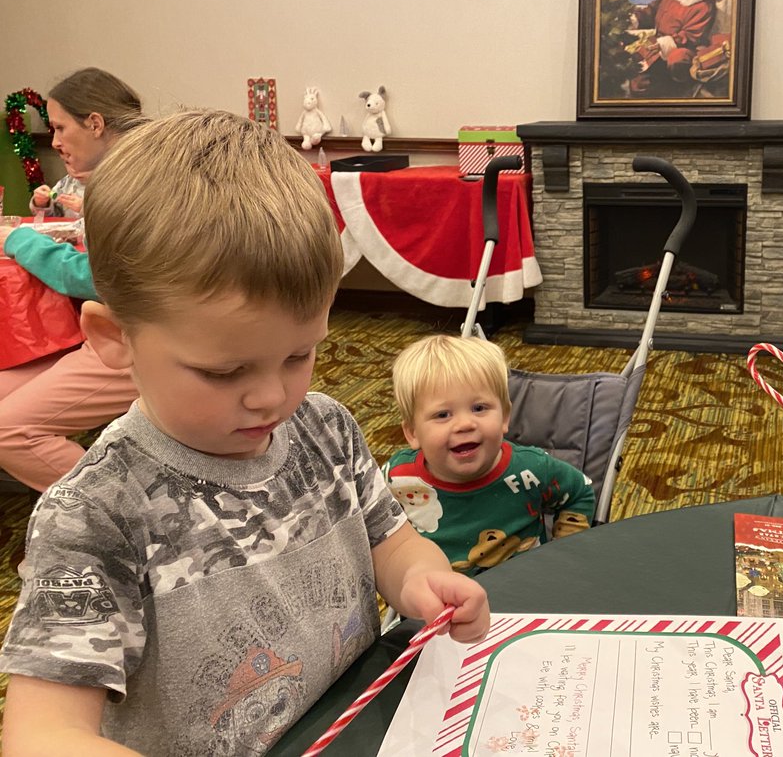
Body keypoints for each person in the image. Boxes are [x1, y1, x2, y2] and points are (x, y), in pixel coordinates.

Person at [0, 111, 490, 755]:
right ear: (115, 339)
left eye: (299, 355)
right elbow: (41, 733)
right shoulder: (94, 513)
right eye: (224, 370)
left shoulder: (327, 429)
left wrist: (421, 578)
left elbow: (390, 545)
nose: (272, 396)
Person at [0, 67, 144, 490]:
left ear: (95, 123)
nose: (56, 142)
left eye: (60, 128)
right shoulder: (121, 176)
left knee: (10, 430)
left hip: (141, 338)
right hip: (114, 329)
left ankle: (121, 523)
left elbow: (98, 278)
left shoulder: (130, 182)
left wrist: (19, 241)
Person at [385, 334, 596, 575]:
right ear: (412, 433)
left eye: (479, 408)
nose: (465, 424)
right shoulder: (397, 477)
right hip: (437, 604)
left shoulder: (531, 469)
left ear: (505, 417)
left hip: (523, 598)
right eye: (443, 415)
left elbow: (580, 491)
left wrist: (564, 554)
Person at [628, 0, 722, 96]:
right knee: (636, 77)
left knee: (662, 73)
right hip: (656, 44)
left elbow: (691, 37)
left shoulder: (704, 4)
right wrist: (635, 20)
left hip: (680, 52)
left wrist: (662, 44)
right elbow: (652, 11)